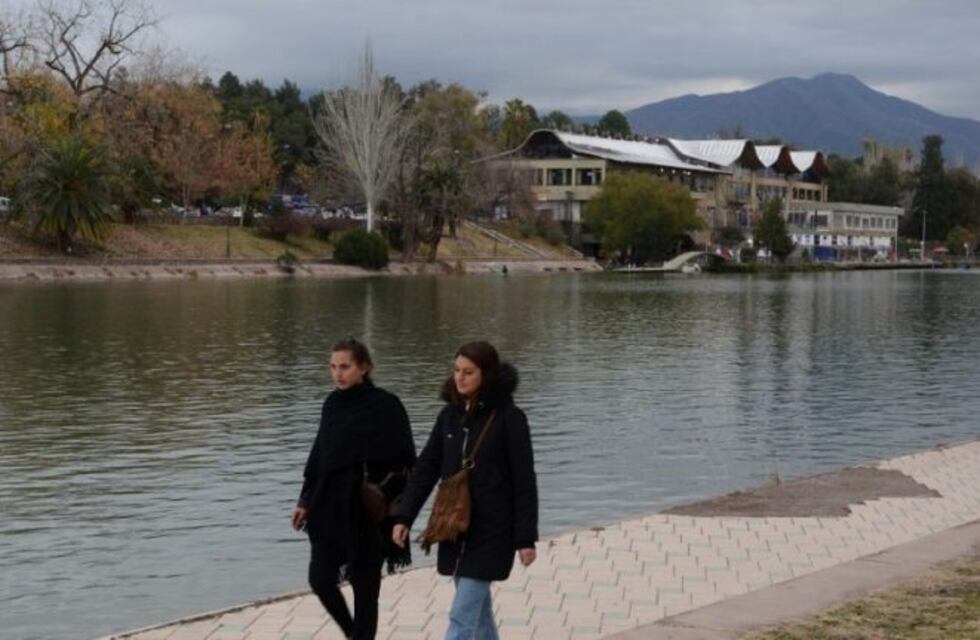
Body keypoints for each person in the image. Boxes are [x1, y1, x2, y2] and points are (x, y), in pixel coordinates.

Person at [391, 341, 538, 640]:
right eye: (457, 370)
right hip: (455, 526)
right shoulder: (449, 416)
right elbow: (426, 468)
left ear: (487, 374)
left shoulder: (510, 419)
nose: (460, 378)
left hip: (493, 531)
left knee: (462, 617)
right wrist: (404, 516)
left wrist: (525, 537)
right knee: (478, 616)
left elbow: (524, 482)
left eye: (468, 372)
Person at [292, 337, 416, 640]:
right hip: (329, 509)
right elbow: (319, 458)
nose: (338, 374)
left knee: (365, 590)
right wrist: (304, 501)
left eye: (345, 367)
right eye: (333, 367)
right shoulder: (331, 405)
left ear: (364, 368)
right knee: (320, 579)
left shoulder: (386, 405)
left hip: (368, 511)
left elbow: (405, 462)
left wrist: (396, 510)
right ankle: (353, 634)